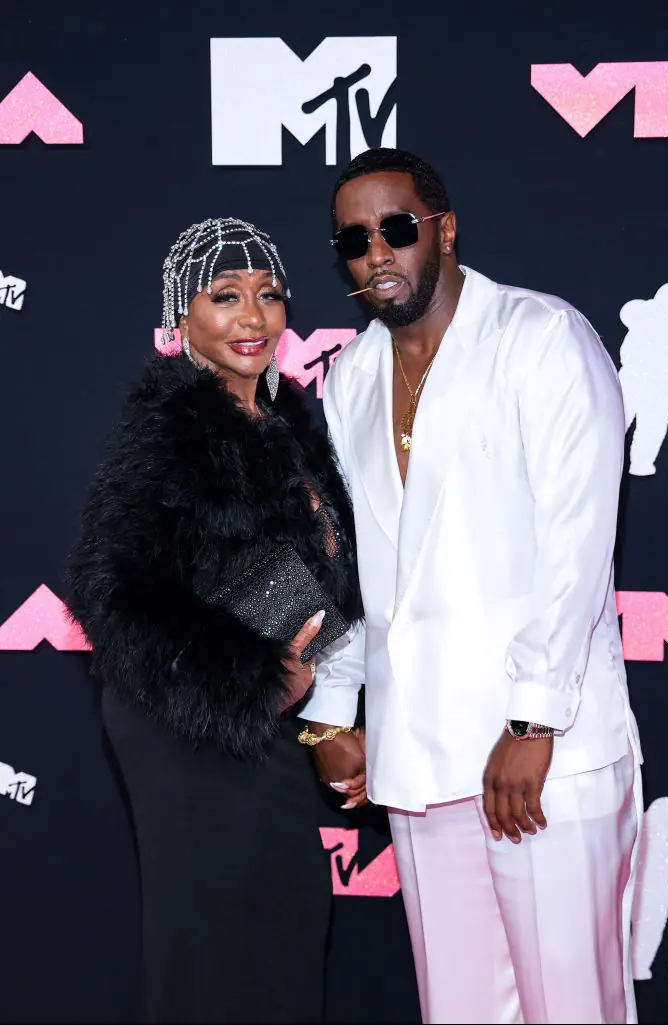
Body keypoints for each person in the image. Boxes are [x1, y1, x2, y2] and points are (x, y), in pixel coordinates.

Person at [301, 148, 643, 1025]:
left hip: (541, 754)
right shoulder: (350, 378)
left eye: (397, 228)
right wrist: (333, 710)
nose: (376, 253)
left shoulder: (542, 338)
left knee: (572, 1008)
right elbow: (348, 560)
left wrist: (530, 721)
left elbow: (576, 545)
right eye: (353, 239)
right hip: (423, 754)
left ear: (443, 231)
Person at [66, 217, 363, 1025]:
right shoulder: (169, 424)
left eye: (268, 295)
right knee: (210, 950)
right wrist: (249, 675)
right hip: (185, 723)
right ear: (181, 314)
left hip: (259, 722)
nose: (252, 317)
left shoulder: (289, 421)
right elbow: (110, 587)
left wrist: (311, 675)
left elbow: (314, 572)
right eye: (224, 296)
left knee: (286, 929)